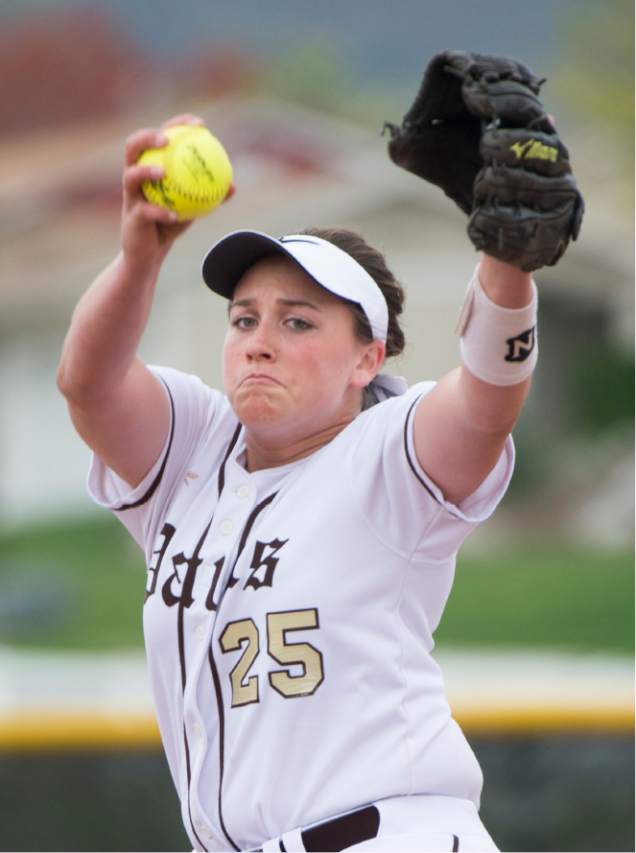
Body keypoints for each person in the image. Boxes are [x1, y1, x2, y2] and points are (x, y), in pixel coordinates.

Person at [57, 112, 539, 853]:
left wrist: (506, 264)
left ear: (365, 360)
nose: (259, 344)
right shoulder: (195, 449)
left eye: (298, 323)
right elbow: (88, 386)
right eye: (244, 320)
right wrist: (138, 259)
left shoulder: (386, 455)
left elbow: (486, 399)